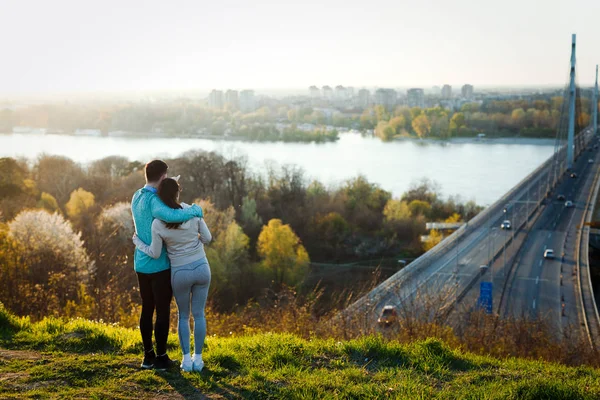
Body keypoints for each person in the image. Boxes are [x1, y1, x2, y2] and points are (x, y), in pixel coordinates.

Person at [133, 177, 212, 373]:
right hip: (202, 268)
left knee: (183, 316)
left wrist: (137, 242)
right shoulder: (192, 212)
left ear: (159, 197)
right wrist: (196, 241)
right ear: (178, 193)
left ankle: (186, 361)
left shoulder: (158, 224)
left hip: (180, 273)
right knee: (199, 315)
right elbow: (208, 238)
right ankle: (199, 361)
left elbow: (155, 253)